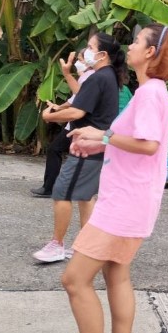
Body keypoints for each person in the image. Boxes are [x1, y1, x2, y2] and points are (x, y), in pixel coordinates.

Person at [43, 23, 168, 333]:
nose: (130, 46)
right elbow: (133, 141)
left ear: (150, 52)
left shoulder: (150, 93)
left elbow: (148, 145)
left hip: (124, 203)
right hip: (131, 200)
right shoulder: (150, 92)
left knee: (74, 279)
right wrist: (99, 143)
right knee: (116, 275)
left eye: (137, 41)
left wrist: (101, 135)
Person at [32, 34, 124, 263]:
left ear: (102, 54)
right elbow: (79, 101)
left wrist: (49, 116)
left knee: (61, 192)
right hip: (97, 146)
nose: (86, 50)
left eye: (91, 47)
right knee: (84, 196)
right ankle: (86, 245)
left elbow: (77, 111)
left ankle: (57, 245)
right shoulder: (108, 75)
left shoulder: (99, 77)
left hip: (87, 147)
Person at [31, 49, 93, 198]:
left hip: (80, 124)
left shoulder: (89, 77)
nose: (77, 63)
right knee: (62, 151)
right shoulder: (86, 77)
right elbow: (74, 99)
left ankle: (52, 188)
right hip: (75, 124)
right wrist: (58, 107)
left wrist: (52, 115)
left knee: (62, 151)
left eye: (80, 60)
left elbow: (78, 102)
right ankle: (53, 187)